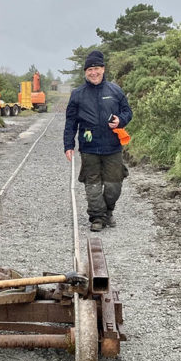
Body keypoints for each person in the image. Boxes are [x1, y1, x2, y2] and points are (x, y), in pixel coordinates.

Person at [63, 50, 133, 232]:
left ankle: (108, 211)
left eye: (96, 68)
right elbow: (70, 122)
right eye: (89, 70)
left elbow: (127, 112)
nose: (93, 73)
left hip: (113, 147)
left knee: (113, 187)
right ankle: (97, 218)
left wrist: (120, 120)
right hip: (89, 148)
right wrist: (68, 145)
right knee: (92, 185)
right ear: (85, 72)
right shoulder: (77, 94)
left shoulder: (115, 90)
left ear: (103, 69)